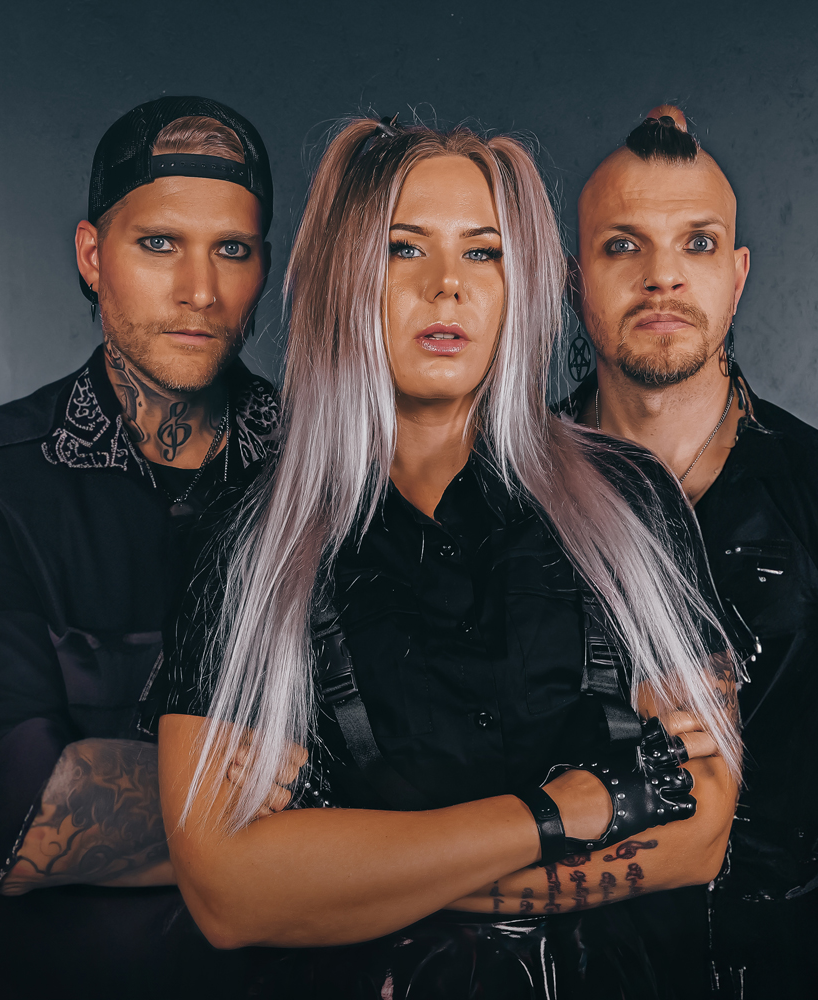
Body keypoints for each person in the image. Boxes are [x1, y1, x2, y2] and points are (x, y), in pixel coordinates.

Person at [150, 116, 745, 998]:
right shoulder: (247, 540)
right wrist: (563, 810)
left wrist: (347, 871)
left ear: (520, 281)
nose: (447, 287)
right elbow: (231, 896)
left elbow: (698, 839)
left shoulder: (630, 500)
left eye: (483, 252)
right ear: (346, 275)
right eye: (404, 249)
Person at [0, 96, 284, 998]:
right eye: (159, 243)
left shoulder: (333, 469)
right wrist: (350, 800)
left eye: (232, 250)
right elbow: (11, 820)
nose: (200, 290)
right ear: (92, 255)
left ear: (264, 267)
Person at [560, 105, 818, 998]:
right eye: (623, 246)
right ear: (574, 279)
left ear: (738, 273)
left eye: (698, 243)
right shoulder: (504, 498)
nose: (663, 276)